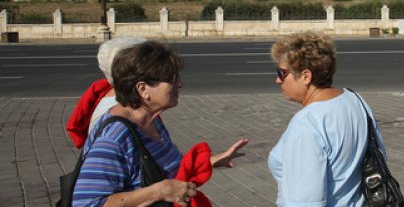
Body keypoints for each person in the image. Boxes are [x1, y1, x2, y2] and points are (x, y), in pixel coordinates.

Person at [73, 41, 248, 207]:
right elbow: (86, 203)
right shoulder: (114, 138)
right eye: (171, 79)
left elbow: (167, 172)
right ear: (143, 89)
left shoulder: (152, 121)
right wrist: (158, 192)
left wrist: (209, 162)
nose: (179, 84)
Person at [268, 32, 385, 206]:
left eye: (282, 73)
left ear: (306, 76)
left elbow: (305, 202)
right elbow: (380, 154)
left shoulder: (307, 124)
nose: (278, 80)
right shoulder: (354, 99)